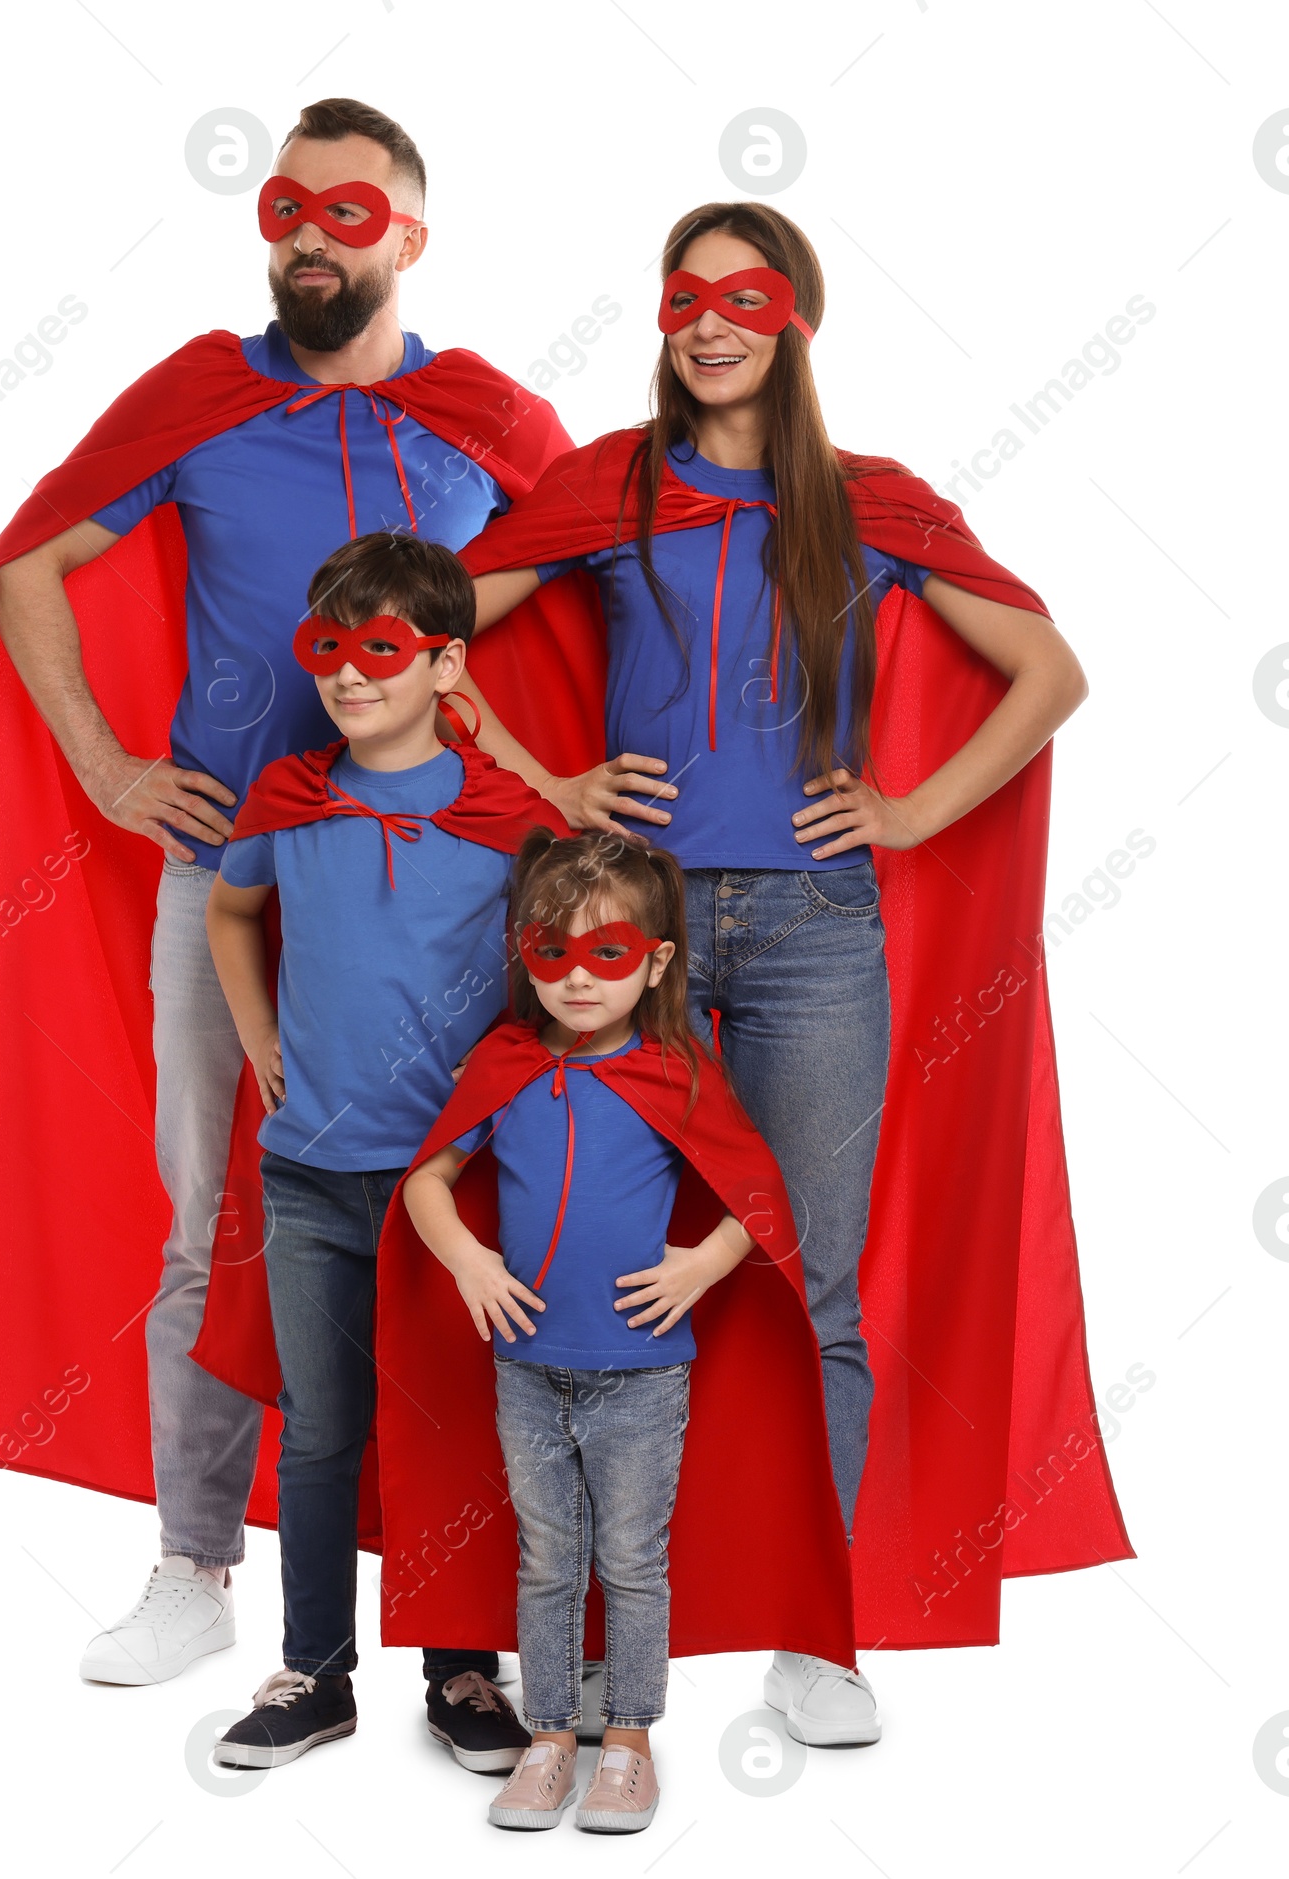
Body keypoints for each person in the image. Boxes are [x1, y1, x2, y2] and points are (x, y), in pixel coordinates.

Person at [0, 99, 571, 1686]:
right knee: (218, 1218)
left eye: (349, 207)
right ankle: (194, 1563)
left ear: (410, 237)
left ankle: (460, 1618)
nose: (312, 233)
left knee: (453, 1215)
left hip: (443, 889)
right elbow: (28, 562)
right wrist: (114, 770)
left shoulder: (484, 418)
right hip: (229, 877)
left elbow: (600, 566)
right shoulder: (195, 397)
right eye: (287, 206)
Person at [441, 200, 1122, 1741]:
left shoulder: (871, 503)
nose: (708, 320)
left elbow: (1050, 670)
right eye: (685, 295)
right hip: (632, 940)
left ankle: (815, 1631)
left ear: (796, 322)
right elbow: (435, 628)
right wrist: (554, 788)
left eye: (744, 297)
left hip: (819, 933)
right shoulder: (612, 483)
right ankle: (601, 1605)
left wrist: (907, 810)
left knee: (810, 1275)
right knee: (582, 1249)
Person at [400, 828, 851, 1829]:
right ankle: (552, 1737)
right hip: (525, 1366)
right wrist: (468, 1257)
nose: (575, 979)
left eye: (606, 954)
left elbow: (762, 1197)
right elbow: (428, 1176)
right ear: (524, 953)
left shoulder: (677, 1070)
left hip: (643, 1372)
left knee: (633, 1562)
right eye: (549, 951)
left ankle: (632, 1745)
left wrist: (701, 1263)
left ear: (653, 963)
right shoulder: (505, 1061)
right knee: (546, 1556)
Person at [203, 533, 566, 1769]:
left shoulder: (500, 816)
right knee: (319, 1426)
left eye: (382, 650)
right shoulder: (289, 797)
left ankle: (464, 1673)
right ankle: (314, 1669)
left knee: (458, 1423)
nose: (350, 677)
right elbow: (231, 903)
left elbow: (578, 955)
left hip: (451, 1189)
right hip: (307, 1171)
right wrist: (258, 1034)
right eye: (329, 650)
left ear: (444, 661)